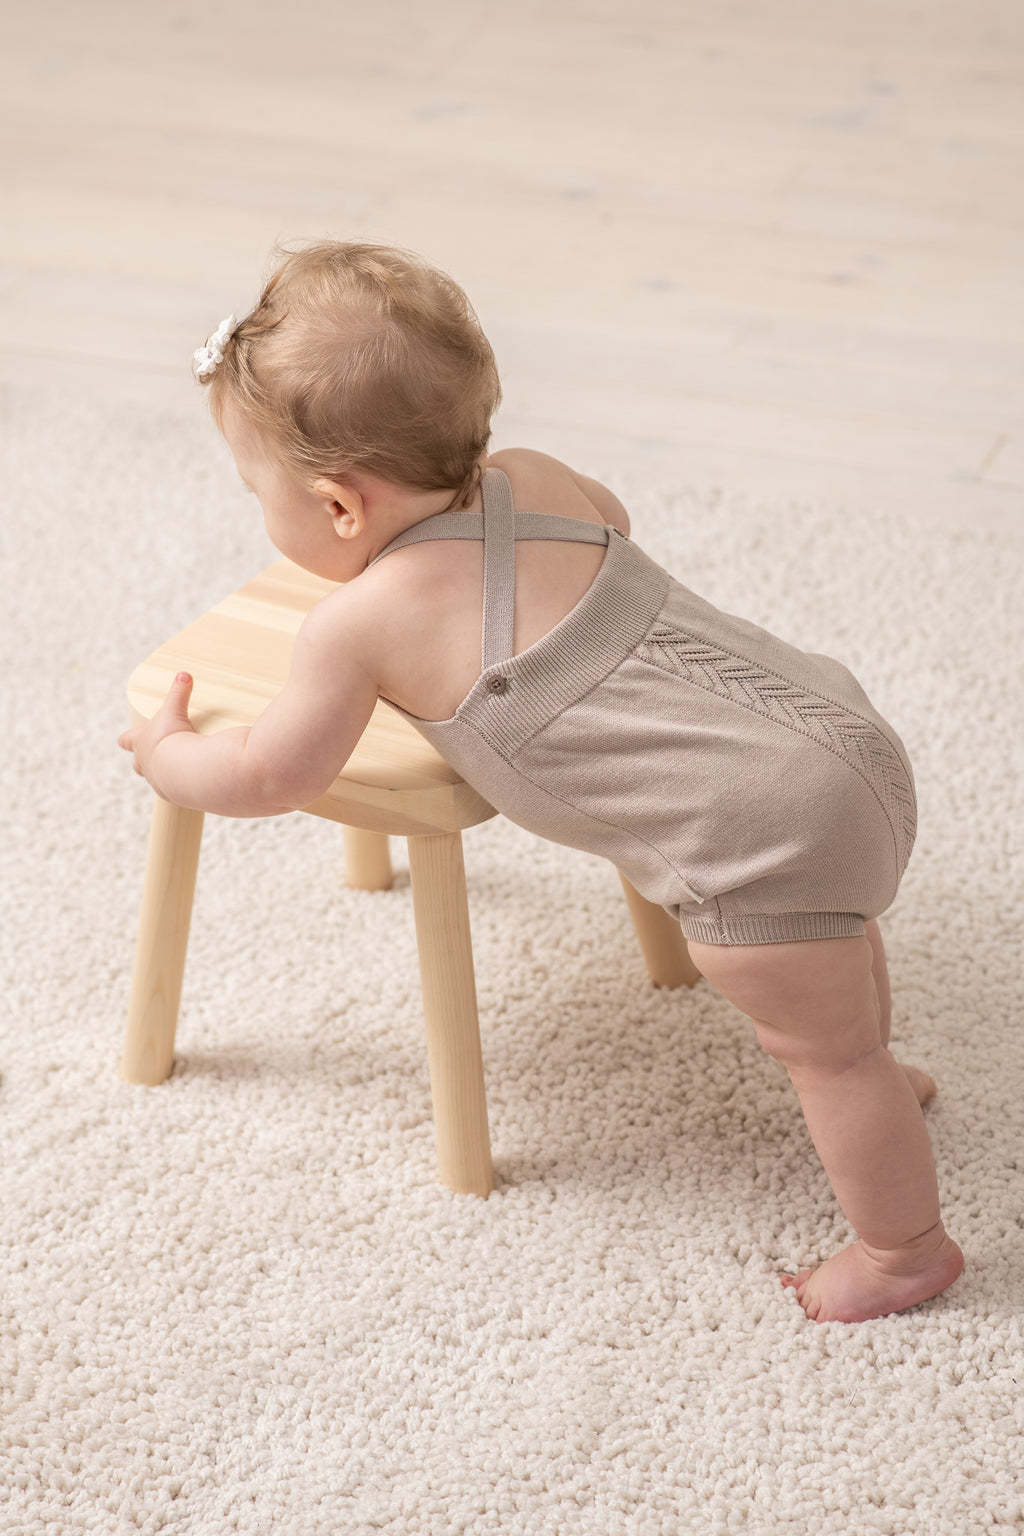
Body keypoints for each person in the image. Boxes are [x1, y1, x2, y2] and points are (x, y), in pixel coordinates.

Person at [119, 241, 963, 1322]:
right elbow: (614, 519)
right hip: (827, 734)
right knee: (840, 948)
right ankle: (882, 1073)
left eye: (256, 492)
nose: (257, 513)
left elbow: (268, 770)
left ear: (339, 509)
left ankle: (904, 1251)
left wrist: (168, 753)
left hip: (754, 834)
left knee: (826, 1056)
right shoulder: (534, 472)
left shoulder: (360, 625)